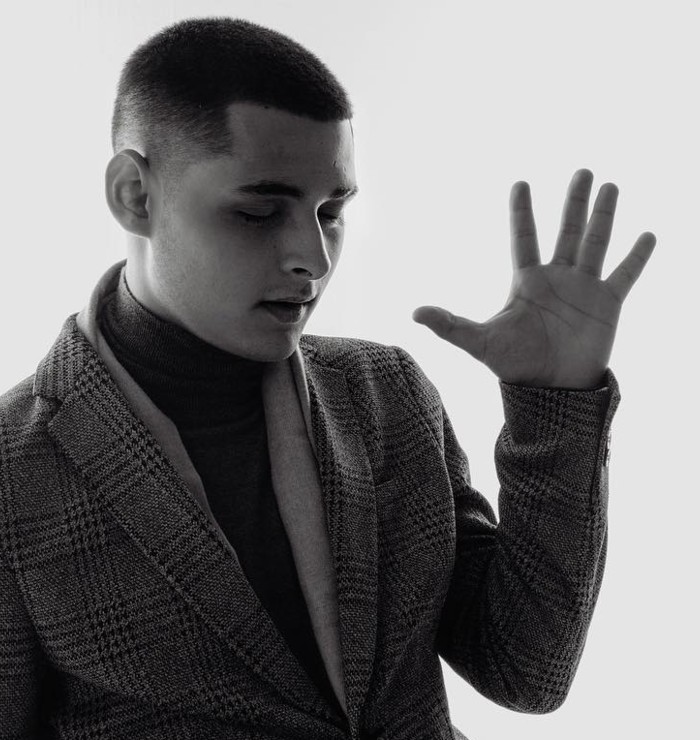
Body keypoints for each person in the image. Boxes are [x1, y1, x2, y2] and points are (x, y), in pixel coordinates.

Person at [0, 16, 655, 740]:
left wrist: (555, 404)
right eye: (259, 211)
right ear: (134, 195)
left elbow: (526, 671)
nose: (313, 257)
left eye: (333, 211)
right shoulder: (12, 466)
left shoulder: (387, 392)